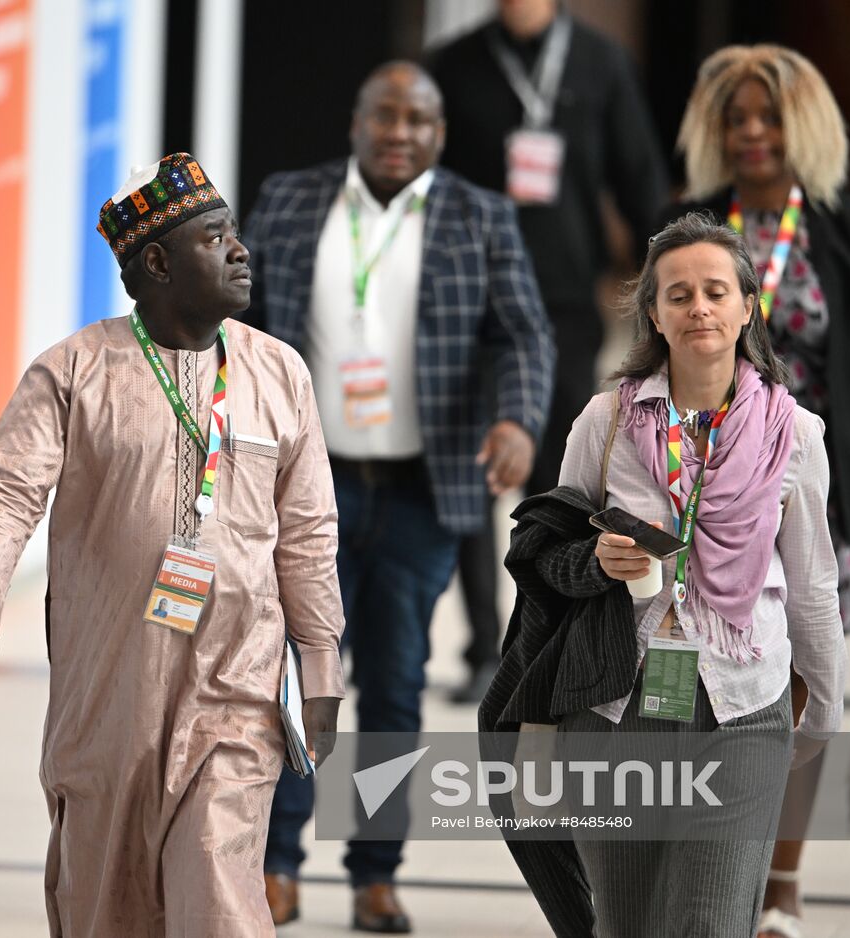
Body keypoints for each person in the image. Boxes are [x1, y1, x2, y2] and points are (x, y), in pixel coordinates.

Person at [0, 152, 345, 937]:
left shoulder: (279, 372)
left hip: (239, 685)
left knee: (220, 895)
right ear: (156, 262)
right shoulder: (72, 371)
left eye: (235, 233)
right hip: (107, 698)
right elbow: (5, 491)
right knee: (107, 908)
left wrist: (321, 663)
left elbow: (307, 533)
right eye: (214, 236)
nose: (240, 250)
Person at [241, 61, 554, 932]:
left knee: (393, 686)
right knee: (303, 672)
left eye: (418, 120)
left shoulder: (479, 216)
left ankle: (375, 870)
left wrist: (518, 421)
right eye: (386, 115)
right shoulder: (292, 200)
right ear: (356, 119)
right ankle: (278, 863)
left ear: (440, 133)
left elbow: (524, 330)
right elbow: (245, 317)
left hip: (422, 488)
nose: (400, 132)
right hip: (309, 486)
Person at [662, 45, 850, 938]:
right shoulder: (690, 224)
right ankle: (708, 863)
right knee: (710, 681)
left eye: (769, 117)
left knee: (803, 685)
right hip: (705, 496)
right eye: (736, 118)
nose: (753, 134)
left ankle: (779, 882)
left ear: (800, 127)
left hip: (825, 498)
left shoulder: (848, 227)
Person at [555, 212, 845, 937]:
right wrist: (593, 560)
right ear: (653, 311)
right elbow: (544, 555)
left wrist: (823, 710)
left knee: (708, 924)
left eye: (716, 290)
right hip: (616, 707)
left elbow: (812, 584)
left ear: (749, 305)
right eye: (678, 294)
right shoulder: (606, 422)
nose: (699, 308)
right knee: (624, 925)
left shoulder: (795, 434)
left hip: (742, 706)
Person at [429, 0, 668, 702]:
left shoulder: (599, 63)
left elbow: (640, 179)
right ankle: (480, 644)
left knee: (562, 481)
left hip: (563, 300)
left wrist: (669, 279)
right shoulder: (456, 66)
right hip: (469, 299)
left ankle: (547, 633)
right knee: (471, 472)